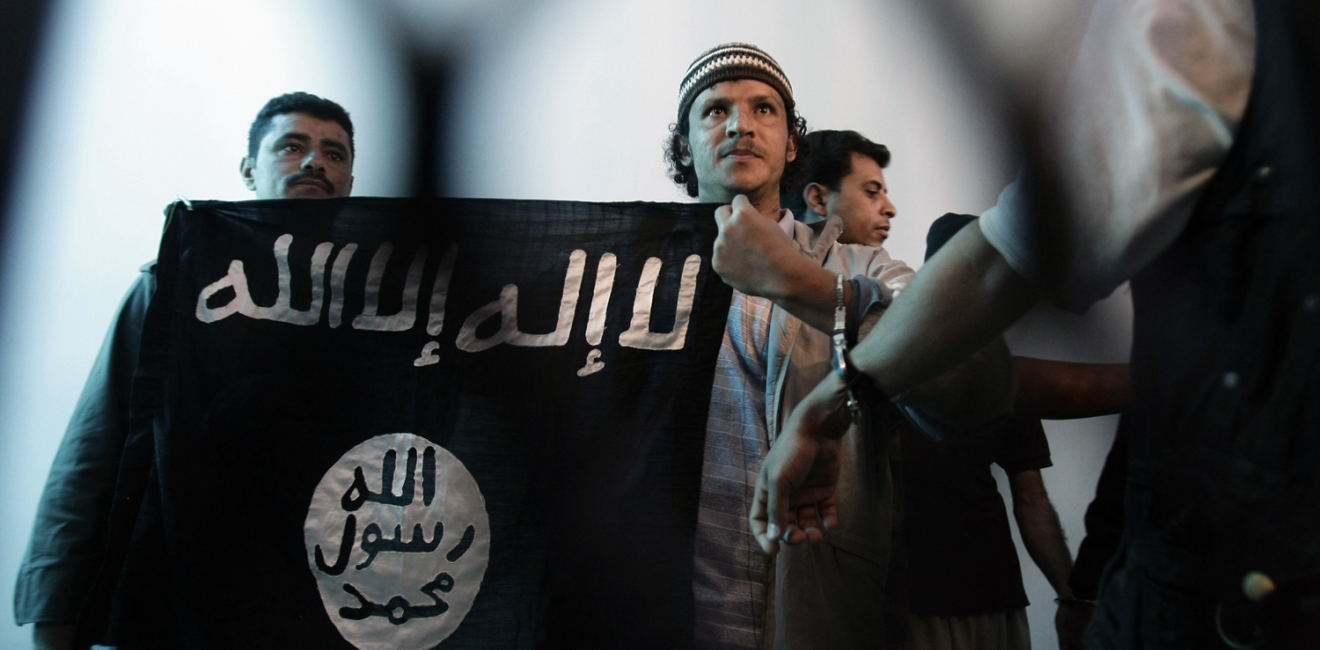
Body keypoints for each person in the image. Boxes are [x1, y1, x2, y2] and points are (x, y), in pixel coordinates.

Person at [753, 0, 1320, 647]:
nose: (891, 205)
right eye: (872, 191)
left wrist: (1072, 581)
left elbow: (995, 374)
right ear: (819, 197)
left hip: (1189, 575)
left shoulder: (904, 285)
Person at [673, 45, 1013, 649]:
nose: (741, 125)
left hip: (817, 601)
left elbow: (963, 379)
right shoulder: (633, 277)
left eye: (764, 109)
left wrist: (815, 289)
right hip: (671, 599)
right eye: (715, 110)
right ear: (684, 146)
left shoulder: (867, 267)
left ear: (792, 144)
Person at [14, 91, 357, 650]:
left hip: (318, 607)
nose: (314, 161)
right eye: (292, 146)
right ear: (250, 170)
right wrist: (56, 606)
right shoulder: (177, 285)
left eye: (334, 153)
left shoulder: (387, 309)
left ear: (348, 181)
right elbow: (96, 449)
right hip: (173, 597)